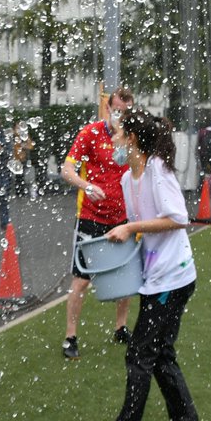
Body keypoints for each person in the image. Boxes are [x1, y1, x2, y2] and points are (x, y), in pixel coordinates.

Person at [84, 109, 207, 421]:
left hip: (174, 278)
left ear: (133, 139)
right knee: (160, 356)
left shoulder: (157, 171)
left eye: (119, 133)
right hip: (156, 279)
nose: (114, 140)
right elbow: (142, 226)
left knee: (140, 355)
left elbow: (178, 218)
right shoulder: (127, 180)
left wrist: (131, 228)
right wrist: (120, 237)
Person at [59, 87, 135, 360]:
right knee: (81, 281)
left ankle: (121, 327)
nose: (121, 116)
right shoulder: (90, 134)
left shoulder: (132, 137)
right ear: (108, 109)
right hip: (91, 217)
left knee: (127, 275)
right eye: (117, 110)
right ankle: (70, 336)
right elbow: (66, 170)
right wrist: (86, 185)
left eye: (125, 112)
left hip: (123, 220)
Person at [11, 120, 35, 198]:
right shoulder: (13, 135)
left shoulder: (25, 135)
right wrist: (21, 145)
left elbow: (31, 145)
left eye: (20, 127)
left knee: (21, 175)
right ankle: (18, 191)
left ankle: (21, 191)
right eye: (17, 127)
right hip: (15, 159)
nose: (18, 129)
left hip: (23, 158)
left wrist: (24, 146)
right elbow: (13, 147)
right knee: (18, 176)